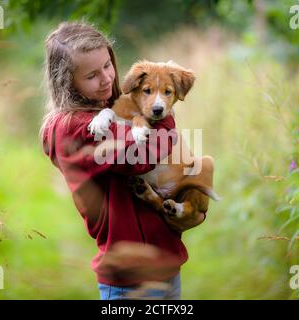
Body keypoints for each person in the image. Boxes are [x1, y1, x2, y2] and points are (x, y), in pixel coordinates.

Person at [40, 21, 188, 300]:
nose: (107, 78)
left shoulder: (115, 108)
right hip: (128, 279)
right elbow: (142, 155)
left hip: (166, 264)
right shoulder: (72, 128)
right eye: (92, 75)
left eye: (108, 65)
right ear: (67, 81)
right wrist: (164, 111)